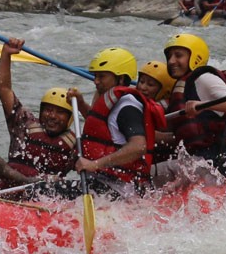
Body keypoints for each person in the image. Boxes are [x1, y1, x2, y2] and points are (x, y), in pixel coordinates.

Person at [159, 33, 226, 182]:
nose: (172, 61)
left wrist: (201, 106)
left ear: (195, 57)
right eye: (169, 57)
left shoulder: (204, 78)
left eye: (178, 55)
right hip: (198, 161)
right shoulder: (183, 85)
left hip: (214, 163)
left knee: (145, 174)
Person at [70, 48, 163, 198]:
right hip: (106, 183)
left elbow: (138, 147)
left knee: (41, 191)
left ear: (121, 79)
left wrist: (94, 165)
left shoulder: (127, 107)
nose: (96, 81)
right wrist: (80, 104)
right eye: (95, 76)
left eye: (102, 76)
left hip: (121, 189)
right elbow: (104, 131)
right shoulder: (115, 102)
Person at [0, 38, 78, 187]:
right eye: (48, 110)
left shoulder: (75, 144)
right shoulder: (23, 123)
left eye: (60, 112)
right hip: (9, 190)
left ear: (70, 118)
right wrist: (6, 54)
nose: (52, 116)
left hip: (45, 198)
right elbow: (4, 89)